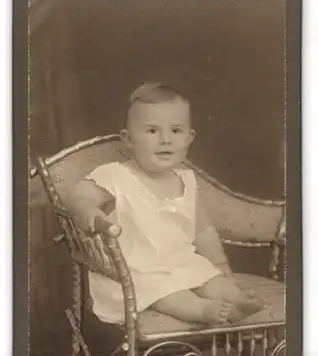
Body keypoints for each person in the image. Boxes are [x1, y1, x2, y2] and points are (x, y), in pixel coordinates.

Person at [66, 82, 264, 326]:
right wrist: (87, 209)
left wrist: (221, 267)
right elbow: (82, 192)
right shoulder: (116, 176)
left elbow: (202, 231)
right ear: (128, 139)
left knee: (211, 278)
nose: (165, 140)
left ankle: (236, 301)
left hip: (178, 261)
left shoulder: (186, 181)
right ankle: (203, 310)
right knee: (168, 293)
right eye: (151, 131)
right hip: (135, 270)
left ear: (189, 137)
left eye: (176, 131)